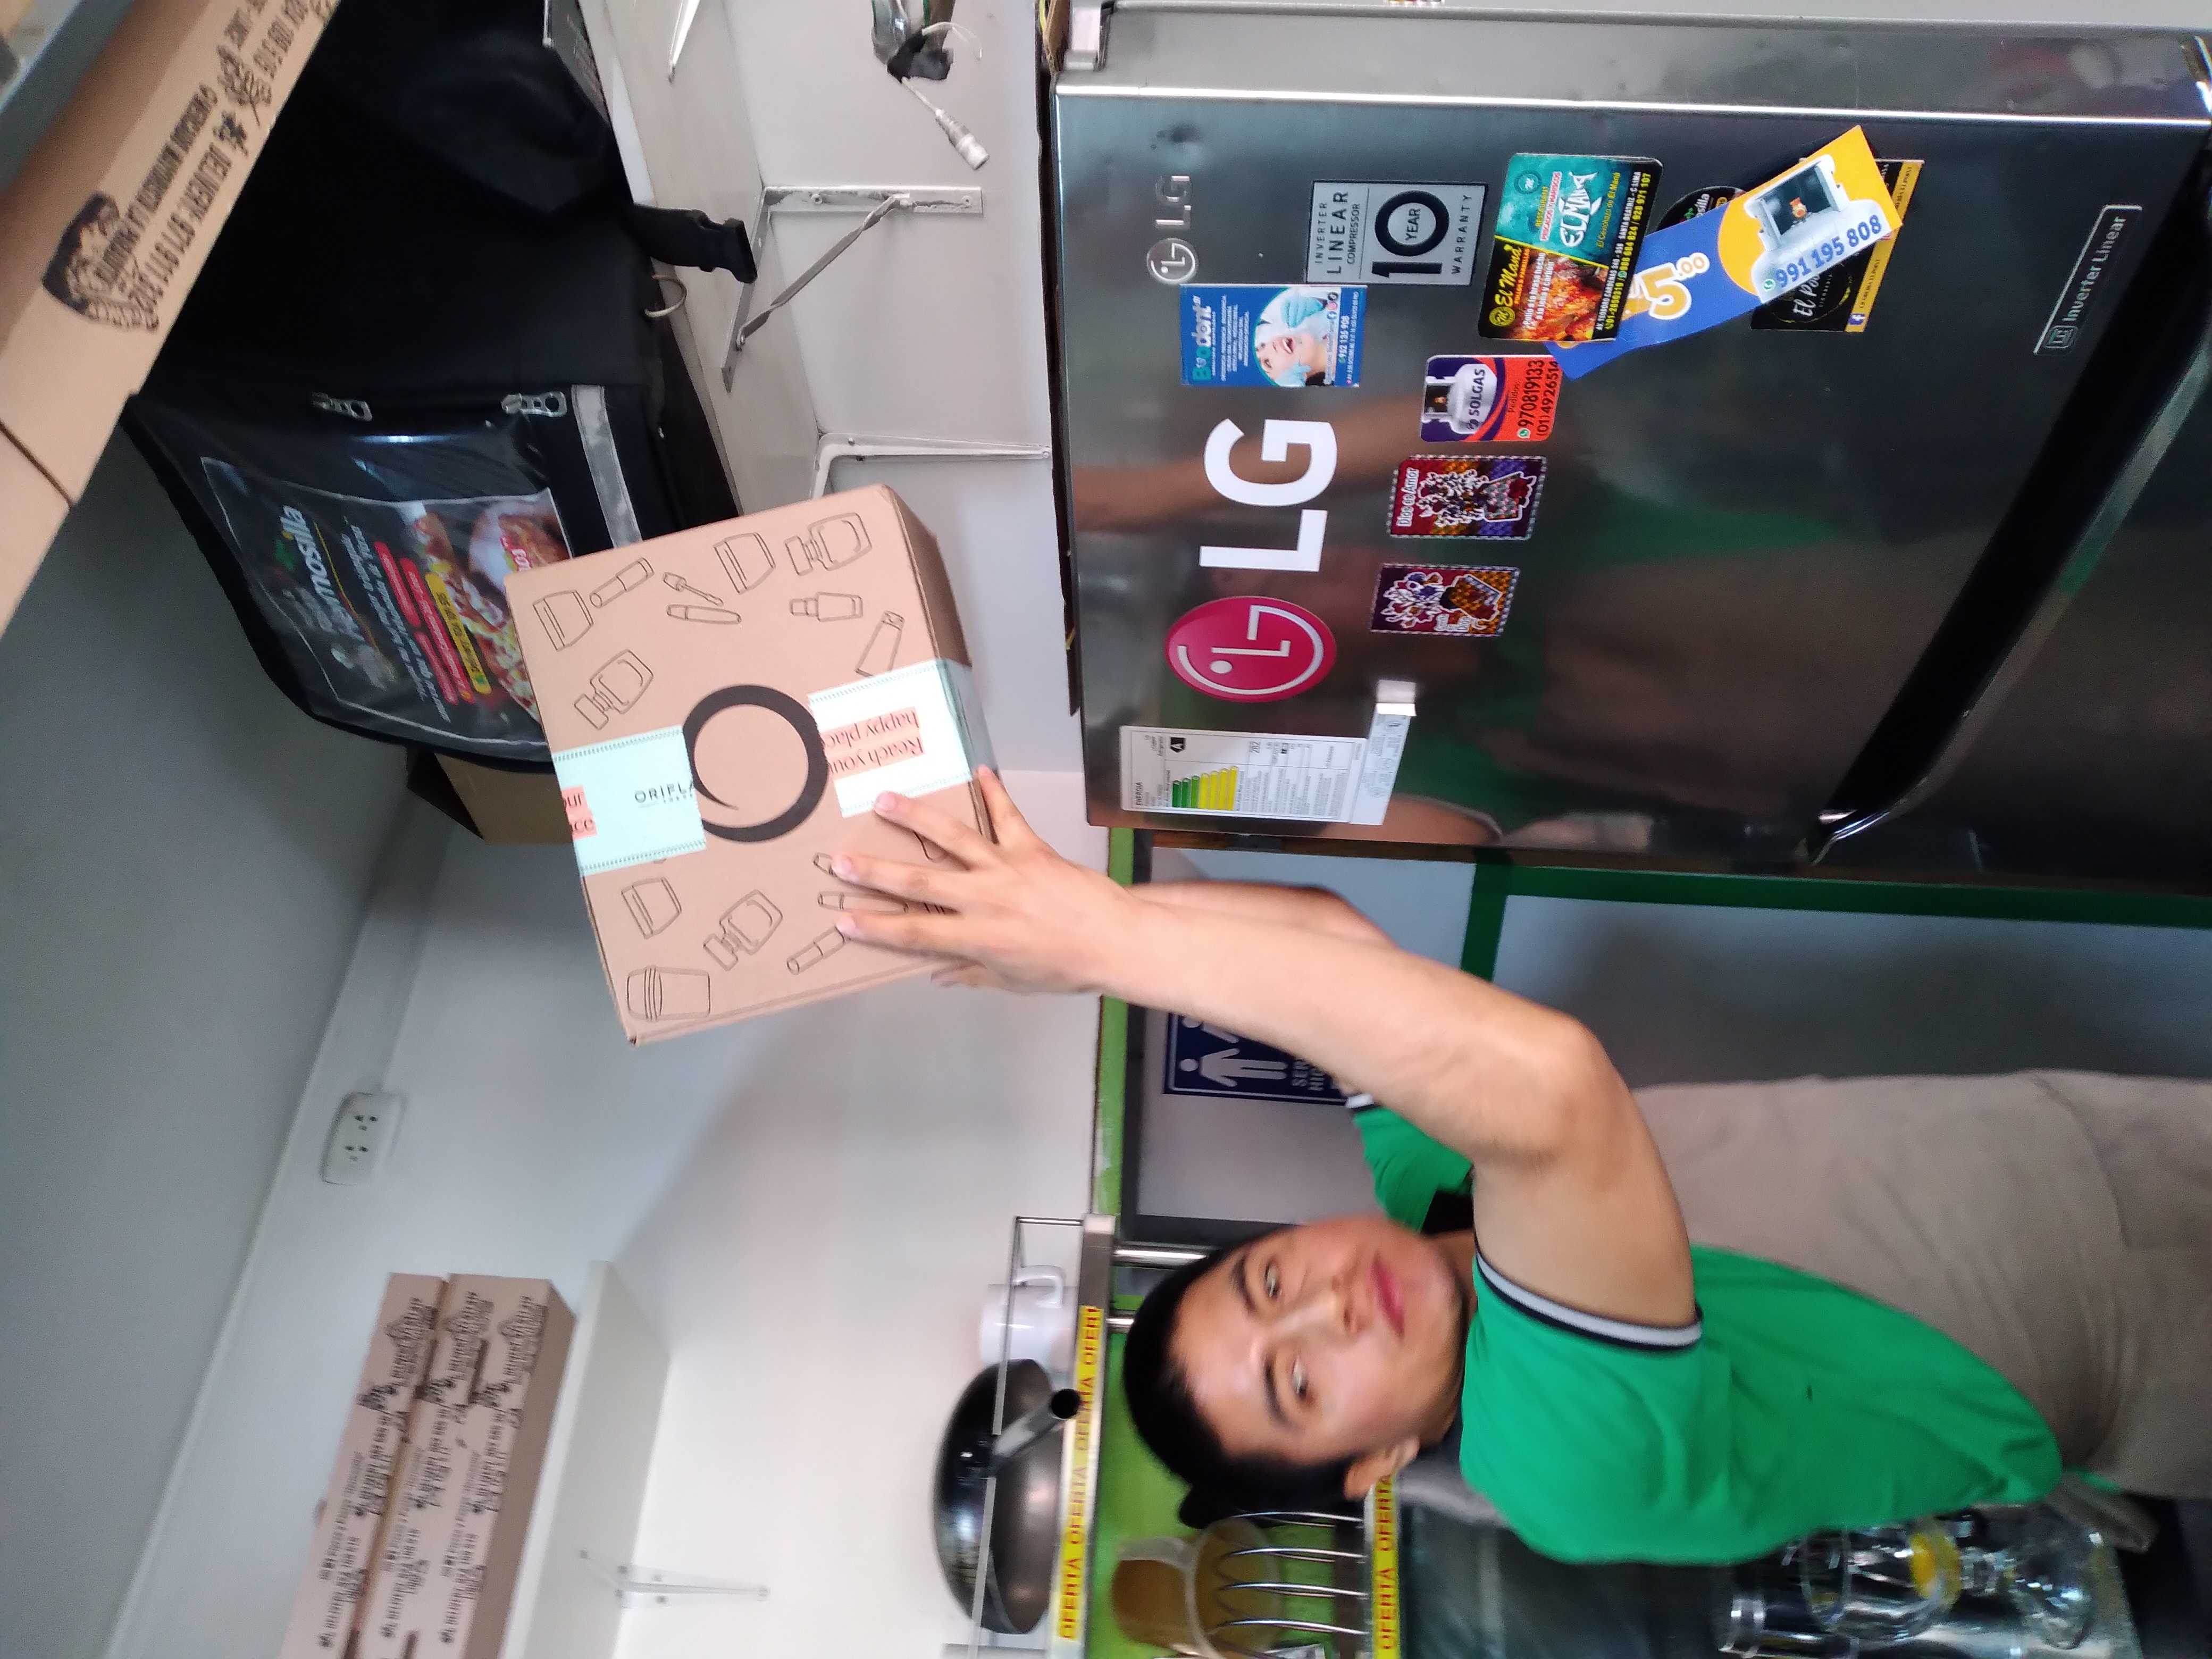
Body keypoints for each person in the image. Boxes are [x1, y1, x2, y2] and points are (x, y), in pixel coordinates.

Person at [828, 771, 2212, 1565]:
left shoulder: (1433, 1199)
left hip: (2103, 1143)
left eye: (1270, 1284)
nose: (1325, 1310)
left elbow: (1329, 936)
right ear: (1377, 1461)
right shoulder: (1552, 1460)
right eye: (1300, 1384)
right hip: (2156, 1334)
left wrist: (1081, 921)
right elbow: (1553, 1096)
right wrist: (1104, 945)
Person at [1252, 289, 1336, 387]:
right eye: (1268, 363)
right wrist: (1291, 393)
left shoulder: (1322, 319)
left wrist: (1319, 299)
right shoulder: (1347, 385)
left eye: (1262, 346)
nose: (1272, 345)